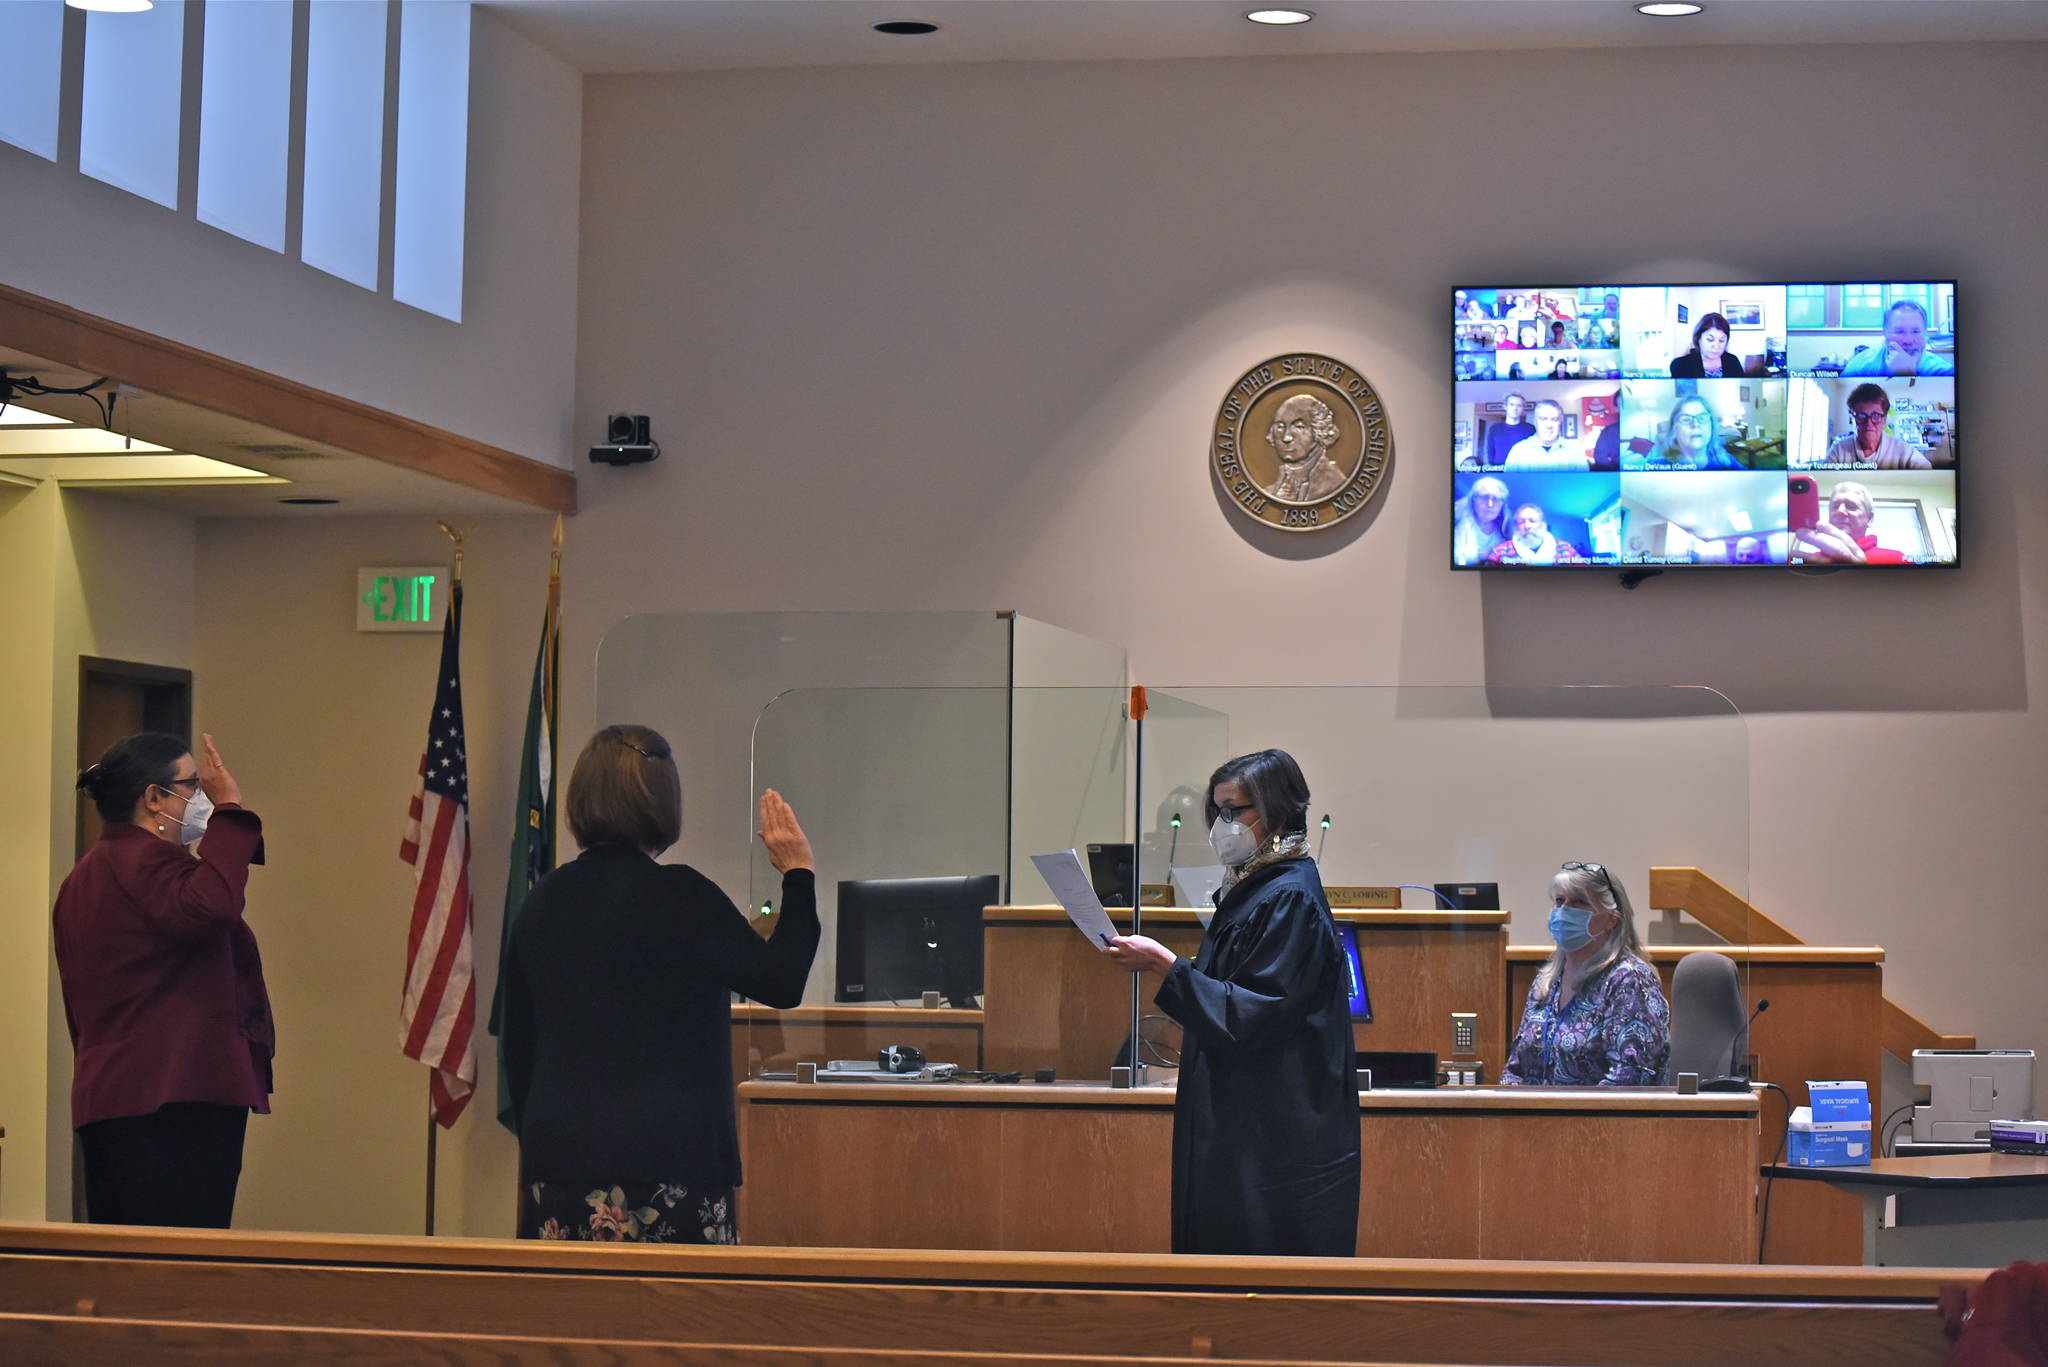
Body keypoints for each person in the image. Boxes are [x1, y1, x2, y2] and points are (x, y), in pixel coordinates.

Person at [501, 725, 819, 1243]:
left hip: (561, 1164)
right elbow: (782, 981)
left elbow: (519, 1047)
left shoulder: (543, 902)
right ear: (664, 803)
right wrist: (798, 871)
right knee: (682, 1320)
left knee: (570, 1320)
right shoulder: (683, 897)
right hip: (677, 1164)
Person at [1099, 750, 1359, 1256]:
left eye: (1235, 810)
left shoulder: (1288, 898)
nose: (1224, 825)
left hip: (1273, 1130)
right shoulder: (1251, 890)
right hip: (1241, 1116)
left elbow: (1251, 1013)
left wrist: (1164, 964)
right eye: (1217, 812)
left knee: (1261, 1268)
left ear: (1278, 812)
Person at [54, 732, 272, 1228]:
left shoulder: (83, 877)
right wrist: (230, 808)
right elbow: (212, 906)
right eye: (192, 785)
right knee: (181, 1274)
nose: (201, 797)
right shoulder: (146, 863)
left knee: (129, 1267)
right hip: (175, 1096)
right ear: (153, 797)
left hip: (113, 1094)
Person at [1500, 862, 1669, 1086]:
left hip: (1599, 1119)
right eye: (1560, 901)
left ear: (1612, 918)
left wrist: (1569, 1119)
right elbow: (1515, 1067)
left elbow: (1630, 1076)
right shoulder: (1547, 981)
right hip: (1536, 1117)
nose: (1564, 911)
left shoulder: (1629, 980)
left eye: (1580, 902)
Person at [1792, 480, 1908, 564]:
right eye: (1835, 506)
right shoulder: (1807, 560)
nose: (1840, 511)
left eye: (1851, 506)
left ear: (1870, 518)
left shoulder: (1897, 558)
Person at [1260, 393, 1348, 502]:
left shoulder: (1335, 484)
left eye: (1299, 426)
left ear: (1319, 430)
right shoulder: (1269, 492)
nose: (1286, 437)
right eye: (1280, 427)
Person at [1825, 383, 1932, 469]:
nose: (1869, 423)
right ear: (1853, 419)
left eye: (1876, 415)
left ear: (1884, 419)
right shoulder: (1839, 449)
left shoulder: (1903, 451)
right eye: (1862, 415)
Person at [1841, 299, 1954, 377]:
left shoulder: (1943, 371)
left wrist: (1908, 376)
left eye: (1916, 331)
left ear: (1925, 333)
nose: (1908, 340)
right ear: (1885, 332)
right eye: (1899, 331)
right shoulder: (1860, 365)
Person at [1645, 395, 1741, 470]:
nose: (1695, 424)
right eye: (1686, 419)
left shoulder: (1727, 461)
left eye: (1702, 418)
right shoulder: (1655, 466)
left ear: (1711, 426)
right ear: (1674, 429)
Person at [1502, 399, 1588, 471]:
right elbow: (1509, 486)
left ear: (1560, 422)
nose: (1549, 425)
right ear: (1535, 422)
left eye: (1554, 419)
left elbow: (1585, 486)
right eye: (1543, 419)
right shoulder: (1518, 451)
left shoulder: (1575, 451)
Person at [1487, 502, 1585, 563]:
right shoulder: (1500, 551)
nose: (1527, 526)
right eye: (1521, 522)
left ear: (1542, 525)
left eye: (1532, 521)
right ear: (1516, 527)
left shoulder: (1565, 548)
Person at [1453, 475, 1513, 565]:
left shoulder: (1505, 528)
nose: (1490, 504)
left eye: (1496, 499)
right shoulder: (1460, 526)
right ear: (1473, 500)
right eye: (1484, 497)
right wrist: (1479, 556)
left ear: (1502, 504)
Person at [1669, 312, 1743, 378]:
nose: (1716, 346)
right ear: (1698, 339)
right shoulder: (1681, 365)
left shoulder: (1733, 361)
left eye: (1721, 340)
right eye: (1710, 339)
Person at [1482, 392, 1534, 467]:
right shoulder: (1494, 429)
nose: (1515, 408)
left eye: (1519, 405)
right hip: (1499, 471)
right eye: (1511, 405)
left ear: (1522, 408)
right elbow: (1490, 452)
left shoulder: (1530, 429)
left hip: (1522, 471)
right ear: (1505, 406)